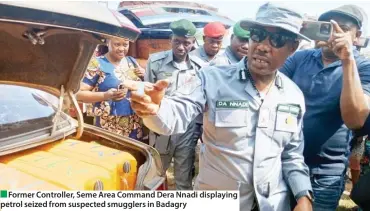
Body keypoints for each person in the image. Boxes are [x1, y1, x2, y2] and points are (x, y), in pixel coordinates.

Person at [125, 3, 314, 210]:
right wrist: (156, 109)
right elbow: (176, 113)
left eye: (276, 40)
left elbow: (292, 155)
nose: (262, 46)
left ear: (293, 48)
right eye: (257, 35)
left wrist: (303, 195)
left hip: (272, 204)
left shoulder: (293, 95)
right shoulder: (212, 79)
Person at [279, 5, 370, 210]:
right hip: (284, 161)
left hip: (325, 173)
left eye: (343, 28)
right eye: (328, 27)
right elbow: (269, 91)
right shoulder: (299, 58)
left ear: (357, 36)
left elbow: (355, 120)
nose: (334, 34)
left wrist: (347, 59)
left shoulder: (363, 67)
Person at [143, 19, 204, 190]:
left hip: (187, 130)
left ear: (193, 43)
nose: (181, 47)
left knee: (183, 178)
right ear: (171, 39)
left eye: (186, 43)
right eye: (177, 41)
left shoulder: (200, 67)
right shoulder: (155, 62)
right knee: (155, 176)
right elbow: (148, 94)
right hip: (161, 127)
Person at [76, 37, 145, 140]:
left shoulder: (132, 62)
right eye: (117, 44)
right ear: (108, 43)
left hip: (135, 127)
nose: (122, 49)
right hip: (109, 128)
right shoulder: (97, 64)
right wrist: (105, 95)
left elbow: (141, 87)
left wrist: (144, 75)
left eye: (125, 45)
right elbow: (78, 94)